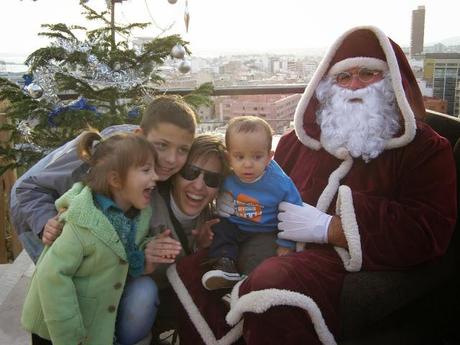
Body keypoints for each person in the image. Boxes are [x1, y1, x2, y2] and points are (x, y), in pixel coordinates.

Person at [167, 26, 457, 345]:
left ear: (391, 81)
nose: (354, 85)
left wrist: (330, 228)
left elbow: (429, 229)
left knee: (273, 285)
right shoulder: (302, 139)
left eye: (368, 73)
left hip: (342, 262)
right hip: (268, 240)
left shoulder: (425, 150)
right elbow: (253, 181)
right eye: (343, 77)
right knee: (195, 269)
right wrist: (226, 221)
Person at [11, 95, 195, 344]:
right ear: (140, 135)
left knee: (102, 288)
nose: (171, 159)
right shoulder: (106, 154)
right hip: (39, 218)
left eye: (182, 150)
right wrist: (47, 224)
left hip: (94, 234)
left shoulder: (147, 176)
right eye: (162, 146)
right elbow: (26, 189)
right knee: (71, 288)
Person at [21, 131, 167, 345]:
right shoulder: (81, 223)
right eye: (146, 170)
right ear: (116, 179)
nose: (155, 177)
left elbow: (122, 251)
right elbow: (51, 276)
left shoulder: (135, 216)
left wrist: (146, 253)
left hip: (91, 325)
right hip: (55, 331)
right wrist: (70, 338)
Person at [201, 116, 302, 291]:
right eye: (239, 157)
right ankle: (224, 265)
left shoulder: (280, 183)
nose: (248, 164)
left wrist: (287, 243)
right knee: (220, 230)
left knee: (261, 253)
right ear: (228, 157)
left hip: (264, 230)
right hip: (234, 224)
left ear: (269, 157)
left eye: (257, 157)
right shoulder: (227, 174)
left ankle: (246, 287)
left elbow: (295, 213)